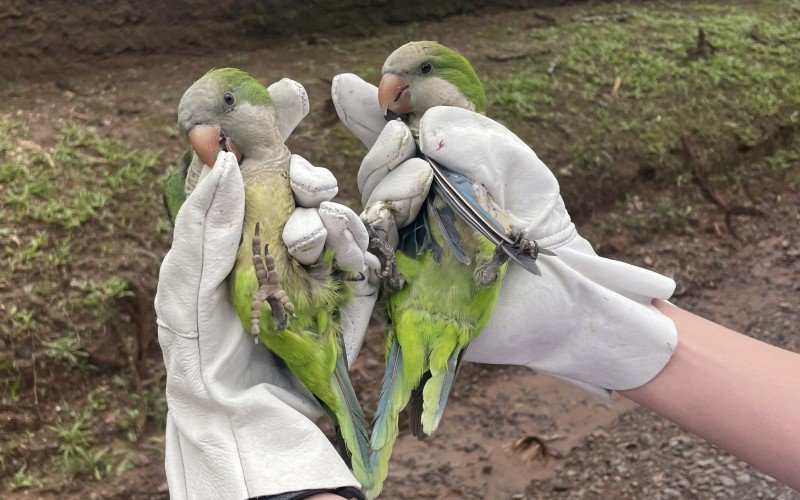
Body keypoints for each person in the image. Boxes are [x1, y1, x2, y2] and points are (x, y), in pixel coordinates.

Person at [155, 78, 800, 499]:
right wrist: (609, 327)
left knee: (376, 408)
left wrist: (269, 473)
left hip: (448, 290)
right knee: (365, 402)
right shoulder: (208, 187)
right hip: (306, 311)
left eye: (224, 111)